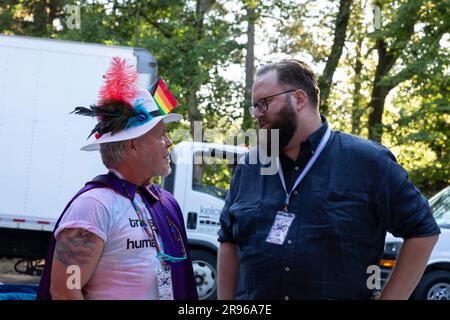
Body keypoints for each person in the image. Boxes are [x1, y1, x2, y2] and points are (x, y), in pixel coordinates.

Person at [217, 59, 440, 300]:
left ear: (299, 99)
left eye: (264, 104)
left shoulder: (368, 162)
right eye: (254, 107)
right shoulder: (249, 167)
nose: (257, 115)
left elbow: (422, 230)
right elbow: (228, 241)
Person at [37, 57, 198, 300]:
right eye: (161, 136)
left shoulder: (163, 202)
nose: (169, 143)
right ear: (133, 146)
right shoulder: (93, 206)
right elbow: (64, 290)